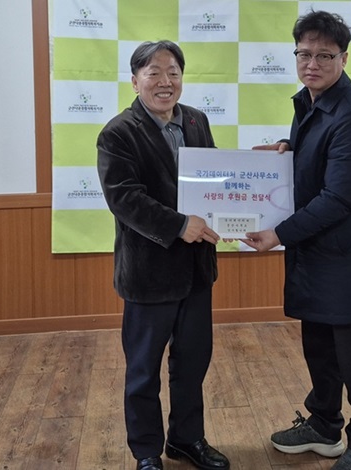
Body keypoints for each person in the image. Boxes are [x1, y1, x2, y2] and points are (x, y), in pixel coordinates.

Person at [242, 10, 351, 470]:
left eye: (324, 55)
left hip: (346, 262)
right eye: (304, 53)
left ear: (344, 59)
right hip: (316, 256)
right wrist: (288, 152)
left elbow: (337, 198)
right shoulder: (312, 103)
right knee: (320, 348)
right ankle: (325, 427)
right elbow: (320, 164)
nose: (312, 63)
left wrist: (278, 234)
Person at [97, 40, 230, 470]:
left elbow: (214, 176)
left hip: (196, 271)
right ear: (135, 81)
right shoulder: (118, 133)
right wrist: (178, 225)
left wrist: (256, 171)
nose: (165, 81)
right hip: (149, 273)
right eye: (153, 73)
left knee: (192, 363)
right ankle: (147, 451)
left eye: (173, 72)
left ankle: (187, 440)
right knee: (143, 370)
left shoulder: (196, 120)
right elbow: (125, 199)